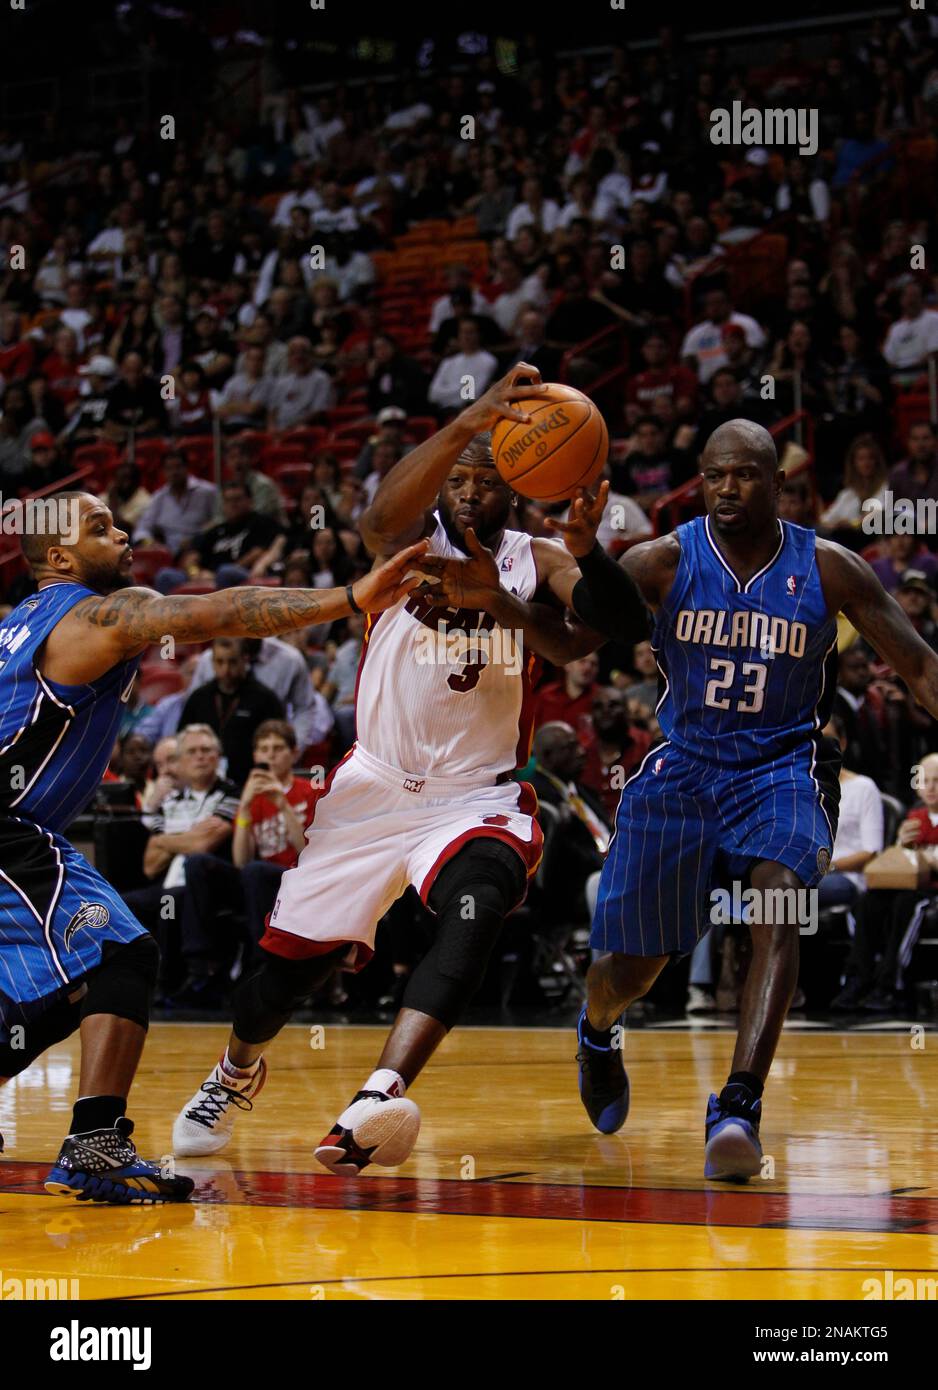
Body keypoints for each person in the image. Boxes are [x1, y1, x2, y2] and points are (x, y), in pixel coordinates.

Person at [171, 363, 638, 1171]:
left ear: (518, 486)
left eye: (484, 481)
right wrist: (467, 424)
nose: (466, 492)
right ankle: (234, 1069)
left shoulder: (537, 559)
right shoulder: (407, 546)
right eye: (456, 478)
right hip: (373, 787)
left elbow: (601, 630)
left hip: (473, 793)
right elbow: (375, 516)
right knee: (278, 986)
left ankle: (379, 1093)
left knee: (481, 896)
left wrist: (524, 586)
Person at [0, 488, 429, 1201]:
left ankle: (92, 1141)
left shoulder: (21, 622)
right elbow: (217, 611)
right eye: (100, 528)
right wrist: (350, 598)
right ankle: (94, 1146)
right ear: (60, 557)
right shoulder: (96, 613)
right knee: (120, 950)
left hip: (21, 829)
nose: (125, 533)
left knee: (77, 980)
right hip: (11, 828)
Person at [547, 416, 938, 1182]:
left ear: (777, 483)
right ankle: (597, 1031)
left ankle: (737, 1104)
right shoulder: (659, 561)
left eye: (746, 474)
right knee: (632, 968)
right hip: (684, 769)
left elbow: (920, 667)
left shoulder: (830, 568)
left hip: (781, 766)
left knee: (780, 902)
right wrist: (517, 587)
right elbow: (567, 642)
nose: (728, 488)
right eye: (715, 474)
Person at [177, 638, 285, 788]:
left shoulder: (265, 698)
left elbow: (277, 743)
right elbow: (182, 739)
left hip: (250, 782)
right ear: (212, 662)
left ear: (244, 659)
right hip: (206, 785)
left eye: (232, 662)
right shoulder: (199, 697)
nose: (226, 669)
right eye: (219, 662)